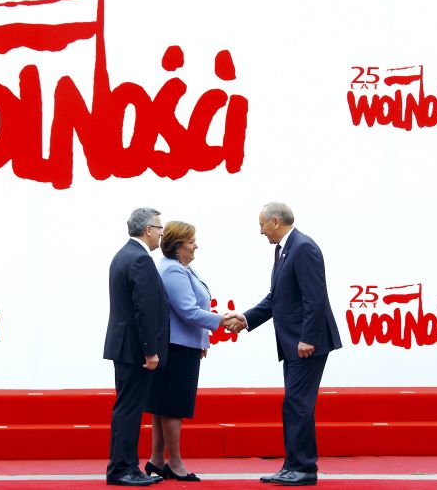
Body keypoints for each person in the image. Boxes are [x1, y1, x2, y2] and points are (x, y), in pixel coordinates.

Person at [228, 202, 342, 486]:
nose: (261, 232)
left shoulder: (303, 247)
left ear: (276, 221)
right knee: (294, 404)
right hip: (294, 343)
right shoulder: (285, 249)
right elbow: (276, 298)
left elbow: (315, 297)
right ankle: (293, 465)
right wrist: (246, 318)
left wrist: (308, 338)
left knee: (298, 404)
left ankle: (303, 468)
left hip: (307, 343)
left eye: (262, 225)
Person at [144, 221, 242, 482]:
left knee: (163, 405)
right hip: (177, 348)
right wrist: (223, 320)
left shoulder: (180, 267)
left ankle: (156, 460)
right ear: (178, 246)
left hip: (181, 345)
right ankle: (175, 464)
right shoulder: (173, 271)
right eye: (191, 242)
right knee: (173, 407)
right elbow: (188, 311)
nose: (196, 246)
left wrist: (203, 341)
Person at [103, 208, 170, 487]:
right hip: (135, 349)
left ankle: (128, 465)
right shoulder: (140, 259)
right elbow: (144, 309)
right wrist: (150, 350)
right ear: (148, 230)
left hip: (125, 346)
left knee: (127, 408)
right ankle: (122, 469)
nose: (162, 233)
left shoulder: (124, 255)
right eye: (159, 228)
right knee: (129, 410)